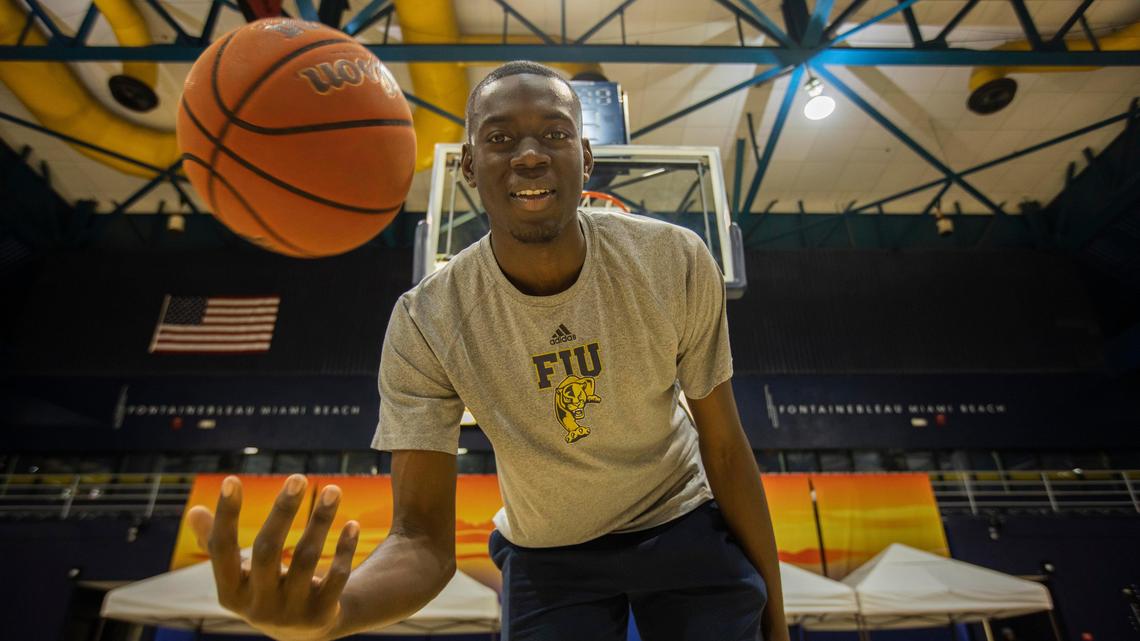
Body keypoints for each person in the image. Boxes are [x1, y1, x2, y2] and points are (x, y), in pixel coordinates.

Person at [188, 60, 788, 641]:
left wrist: (777, 623)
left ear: (586, 158)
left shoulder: (672, 259)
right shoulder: (426, 320)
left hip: (680, 518)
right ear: (470, 166)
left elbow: (727, 450)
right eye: (501, 138)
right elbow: (420, 540)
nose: (529, 153)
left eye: (554, 133)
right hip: (548, 551)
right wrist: (333, 616)